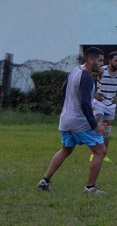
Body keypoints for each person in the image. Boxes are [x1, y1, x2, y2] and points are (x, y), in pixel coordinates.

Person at [37, 47, 108, 194]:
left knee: (66, 149)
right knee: (100, 151)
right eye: (100, 60)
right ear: (90, 60)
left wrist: (71, 106)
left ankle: (45, 180)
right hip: (79, 122)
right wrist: (94, 124)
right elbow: (84, 103)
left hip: (66, 119)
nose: (102, 64)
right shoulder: (87, 77)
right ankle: (90, 187)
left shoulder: (75, 71)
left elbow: (65, 89)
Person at [93, 50, 117, 150]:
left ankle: (103, 154)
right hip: (99, 103)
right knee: (99, 125)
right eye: (116, 60)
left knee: (107, 132)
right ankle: (95, 153)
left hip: (111, 105)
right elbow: (89, 77)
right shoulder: (102, 70)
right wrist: (94, 93)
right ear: (110, 61)